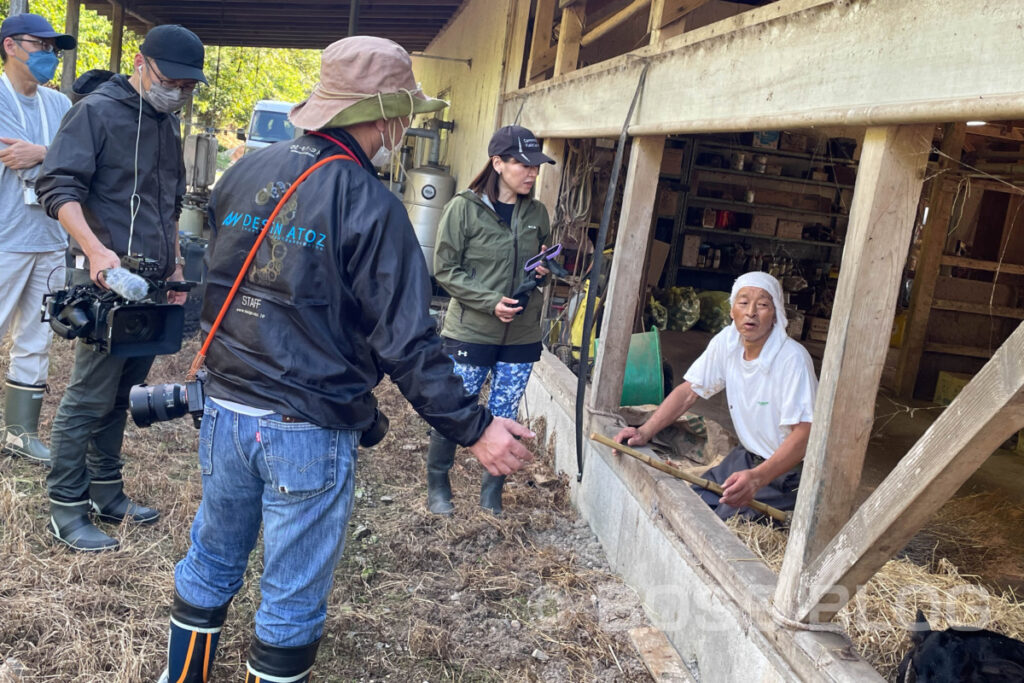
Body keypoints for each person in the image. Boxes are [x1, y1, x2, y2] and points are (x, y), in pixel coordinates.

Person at [160, 36, 534, 683]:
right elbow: (408, 340)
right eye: (404, 114)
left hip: (223, 406)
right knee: (291, 592)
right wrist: (474, 427)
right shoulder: (373, 205)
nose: (406, 127)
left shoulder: (246, 170)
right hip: (307, 426)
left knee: (212, 557)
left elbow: (215, 279)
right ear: (386, 115)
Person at [35, 24, 207, 552]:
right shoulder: (95, 113)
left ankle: (106, 492)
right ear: (139, 62)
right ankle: (65, 506)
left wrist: (176, 266)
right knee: (88, 398)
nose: (176, 92)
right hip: (107, 281)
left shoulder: (166, 126)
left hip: (153, 283)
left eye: (187, 86)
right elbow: (56, 185)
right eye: (169, 81)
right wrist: (94, 249)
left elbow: (170, 205)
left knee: (122, 395)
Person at [614, 272, 817, 520]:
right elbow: (688, 392)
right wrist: (644, 431)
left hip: (787, 474)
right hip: (746, 458)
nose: (751, 312)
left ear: (775, 314)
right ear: (732, 310)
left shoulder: (792, 359)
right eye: (743, 303)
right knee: (690, 506)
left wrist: (758, 478)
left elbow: (805, 434)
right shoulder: (728, 343)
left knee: (723, 523)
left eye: (763, 304)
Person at [429, 124, 555, 516]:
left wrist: (543, 272)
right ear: (498, 163)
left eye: (537, 166)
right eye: (524, 165)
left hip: (520, 333)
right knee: (455, 407)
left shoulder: (537, 213)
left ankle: (491, 494)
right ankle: (438, 484)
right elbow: (445, 269)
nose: (532, 173)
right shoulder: (463, 209)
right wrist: (488, 302)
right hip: (471, 330)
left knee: (505, 411)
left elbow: (541, 260)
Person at [0, 13, 75, 465]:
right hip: (5, 236)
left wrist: (44, 153)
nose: (48, 54)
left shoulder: (60, 105)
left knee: (37, 337)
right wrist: (50, 157)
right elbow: (13, 158)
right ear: (10, 45)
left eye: (53, 48)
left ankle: (19, 432)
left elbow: (67, 159)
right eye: (40, 45)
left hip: (48, 236)